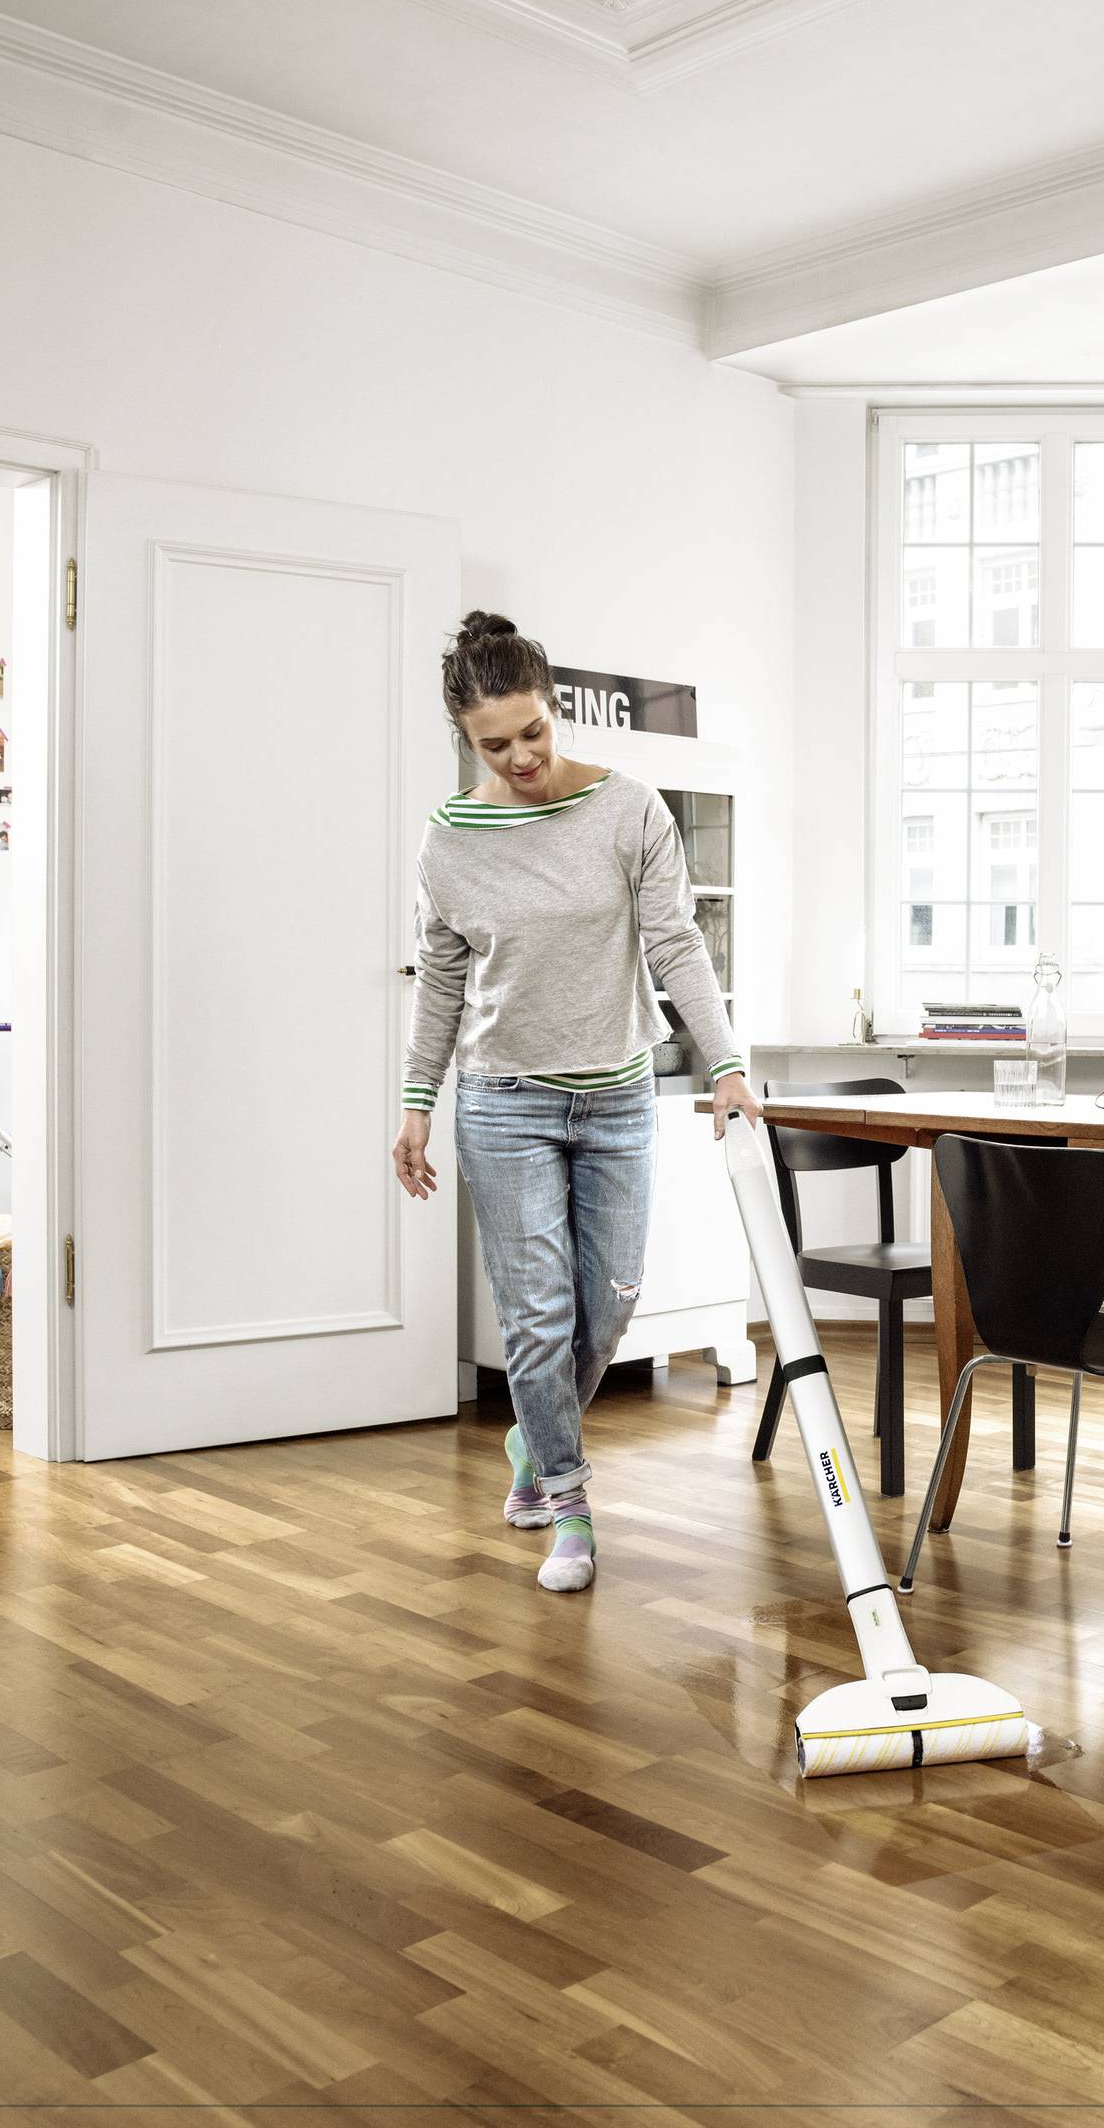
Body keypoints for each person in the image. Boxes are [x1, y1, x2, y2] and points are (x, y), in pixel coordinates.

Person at [392, 614, 758, 1592]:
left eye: (532, 733)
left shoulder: (630, 810)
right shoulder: (449, 841)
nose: (518, 756)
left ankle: (531, 1440)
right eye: (493, 744)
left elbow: (677, 944)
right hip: (503, 1101)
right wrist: (417, 1101)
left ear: (554, 709)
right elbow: (438, 979)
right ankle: (569, 1504)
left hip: (615, 1097)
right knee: (538, 1317)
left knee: (610, 1305)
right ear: (465, 740)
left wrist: (725, 1065)